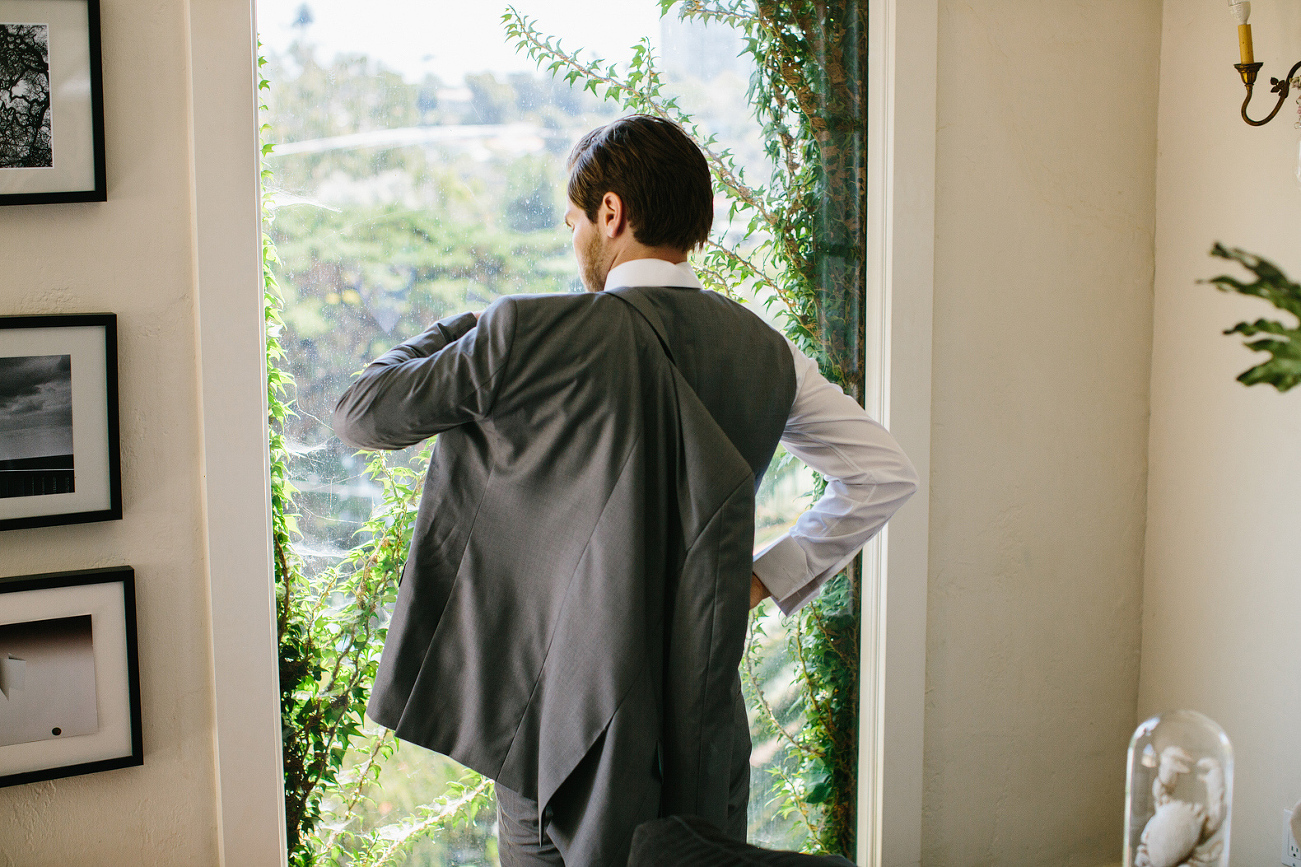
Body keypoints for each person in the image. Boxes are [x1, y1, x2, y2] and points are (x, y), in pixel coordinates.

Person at [332, 115, 918, 867]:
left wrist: (462, 327)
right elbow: (882, 474)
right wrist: (764, 577)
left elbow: (363, 414)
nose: (574, 241)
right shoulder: (768, 354)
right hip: (696, 734)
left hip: (556, 735)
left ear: (611, 213)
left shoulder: (527, 334)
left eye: (575, 221)